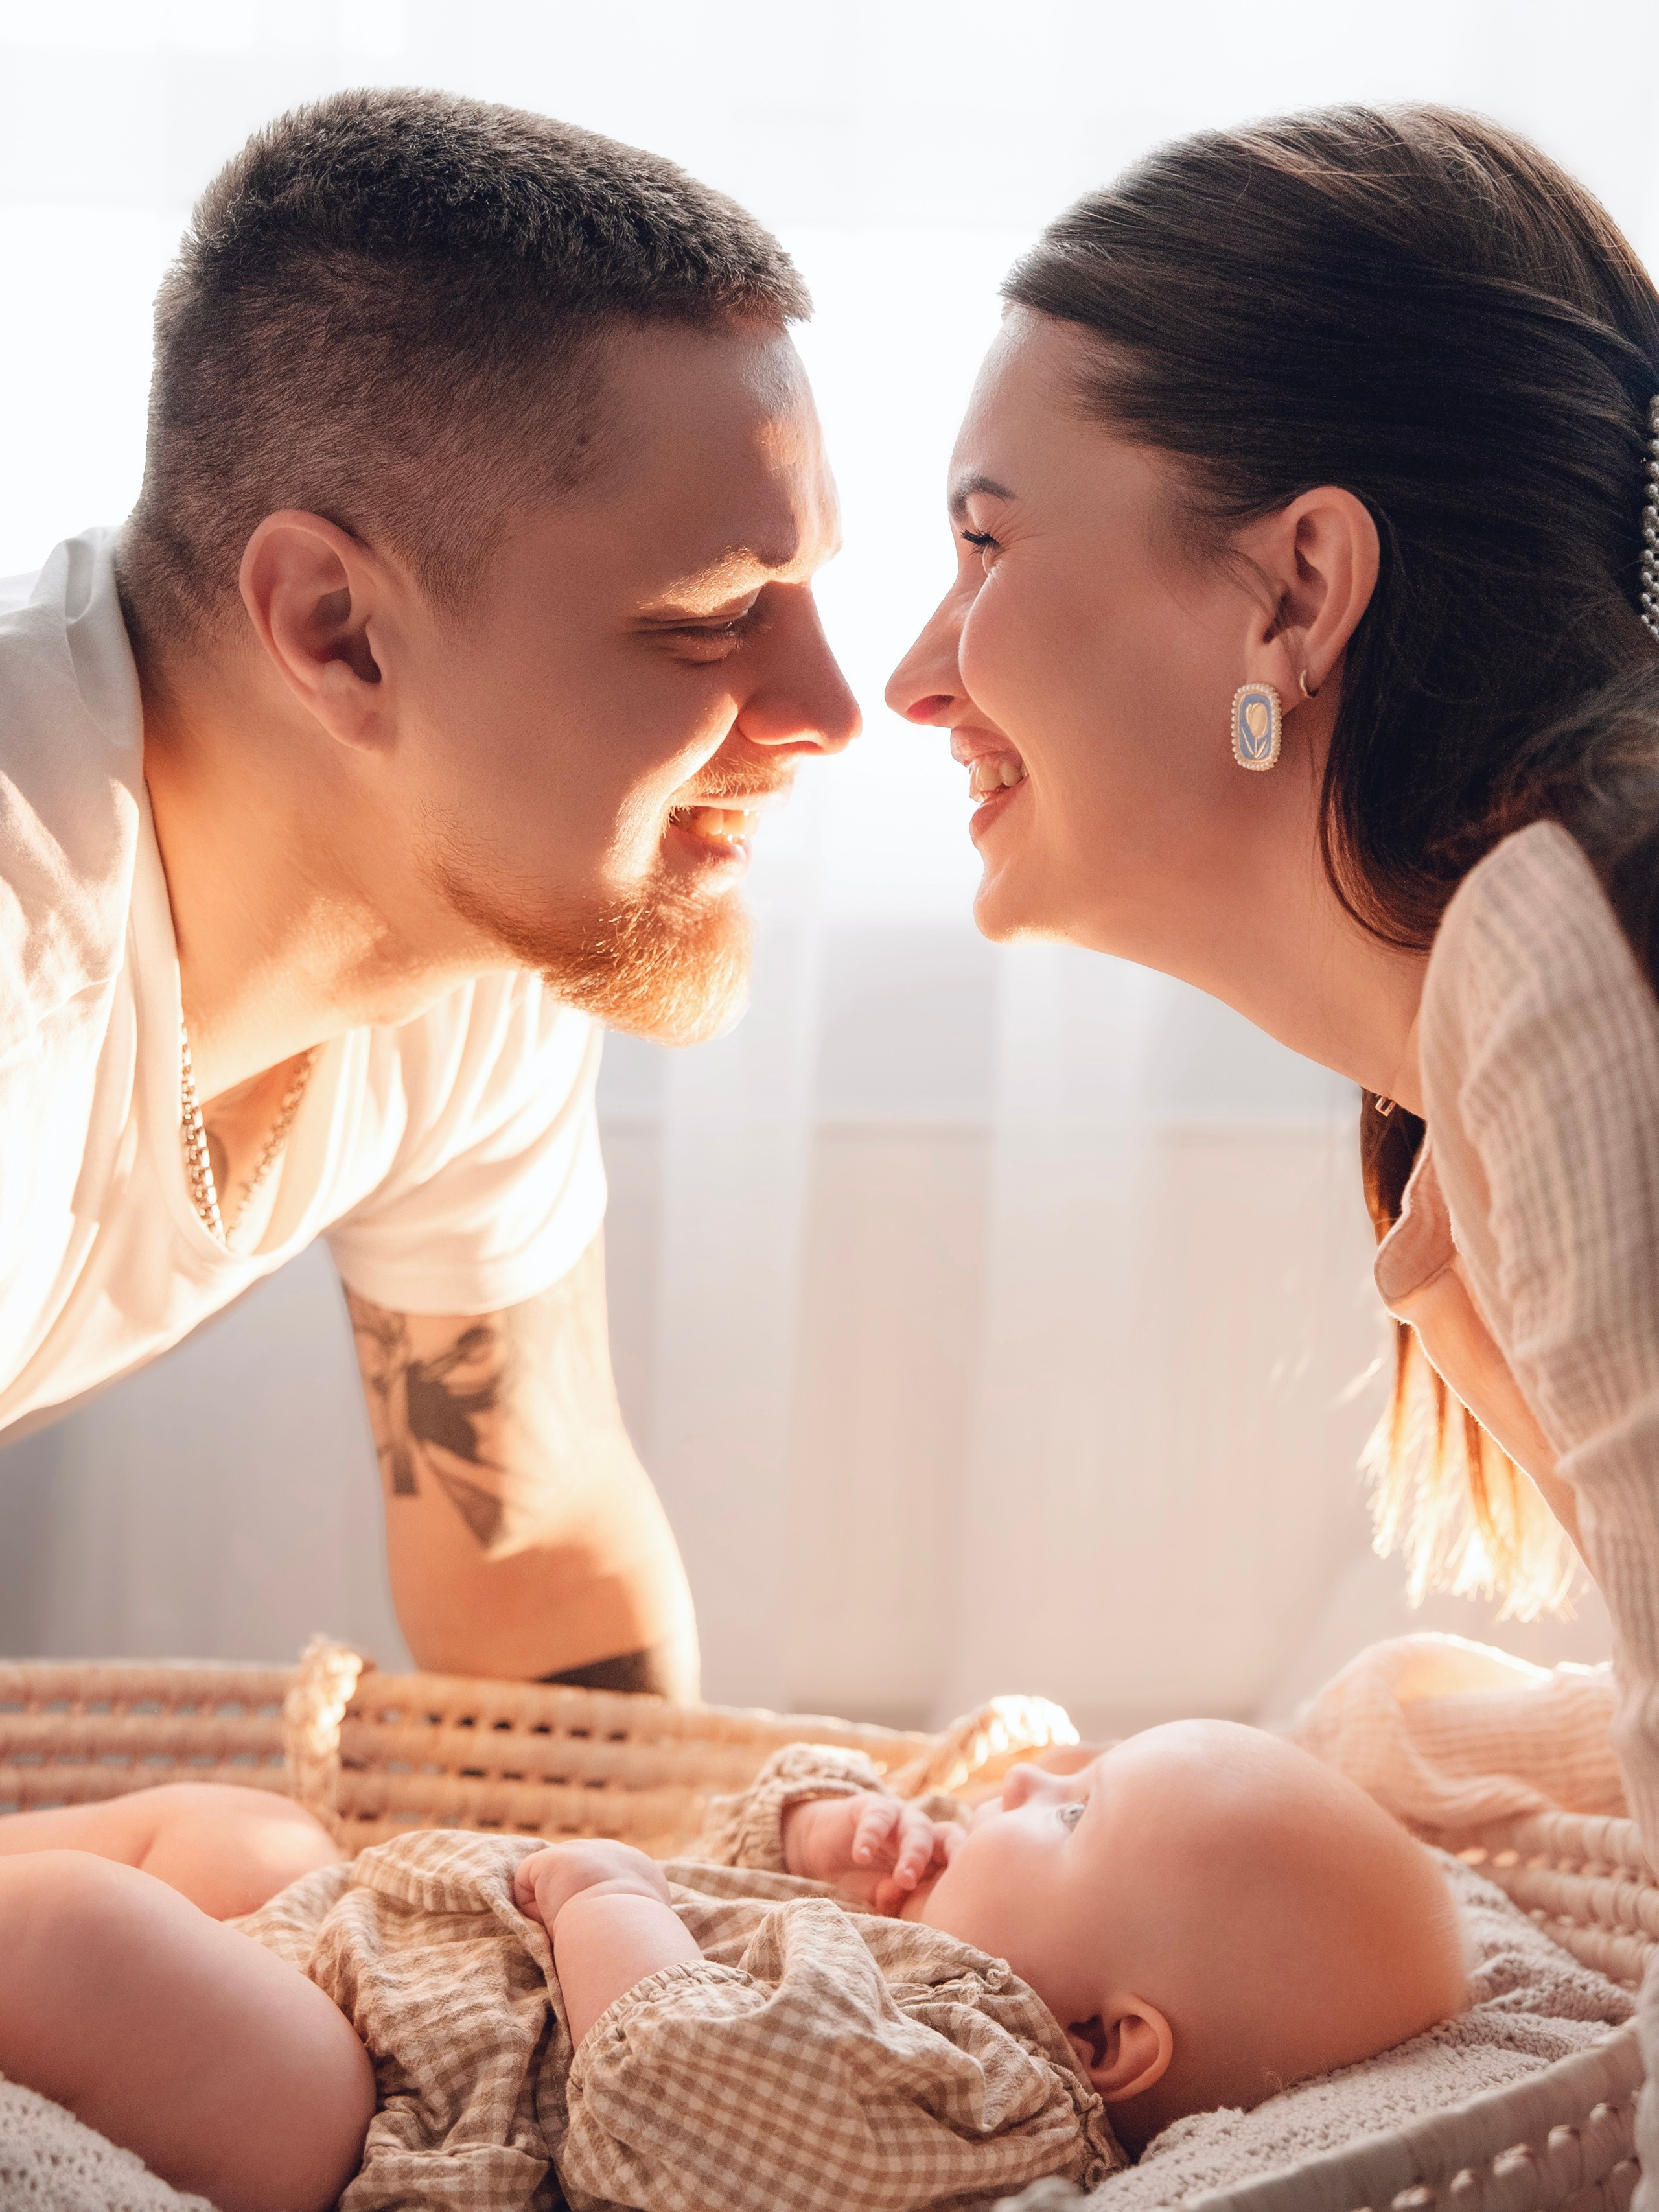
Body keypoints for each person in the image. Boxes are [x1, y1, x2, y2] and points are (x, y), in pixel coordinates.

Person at [885, 98, 1659, 2184]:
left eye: (983, 543)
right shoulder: (1493, 1030)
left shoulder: (1567, 978)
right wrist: (1449, 1735)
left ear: (1295, 590)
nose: (909, 672)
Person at [0, 87, 859, 1697]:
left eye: (806, 594)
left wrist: (673, 1932)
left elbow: (531, 1551)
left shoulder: (474, 953)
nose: (831, 709)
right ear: (336, 630)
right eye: (707, 620)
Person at [0, 1722, 1463, 2211]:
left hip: (389, 2111)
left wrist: (598, 1897)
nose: (1017, 1778)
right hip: (366, 1949)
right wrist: (817, 1836)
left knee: (81, 1937)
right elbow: (713, 1876)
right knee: (241, 1832)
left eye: (1073, 1812)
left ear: (1102, 2041)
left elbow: (680, 2080)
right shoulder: (917, 1960)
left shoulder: (976, 2094)